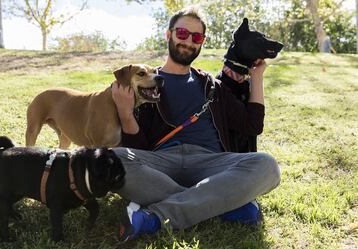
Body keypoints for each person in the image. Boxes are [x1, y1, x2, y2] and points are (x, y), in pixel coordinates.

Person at [111, 6, 281, 242]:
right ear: (168, 35)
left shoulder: (212, 85)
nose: (189, 41)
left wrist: (257, 78)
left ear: (201, 43)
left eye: (197, 37)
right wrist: (125, 113)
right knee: (110, 160)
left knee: (267, 166)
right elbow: (137, 147)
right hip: (161, 164)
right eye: (182, 33)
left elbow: (252, 126)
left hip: (210, 163)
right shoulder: (144, 81)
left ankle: (154, 217)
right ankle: (224, 205)